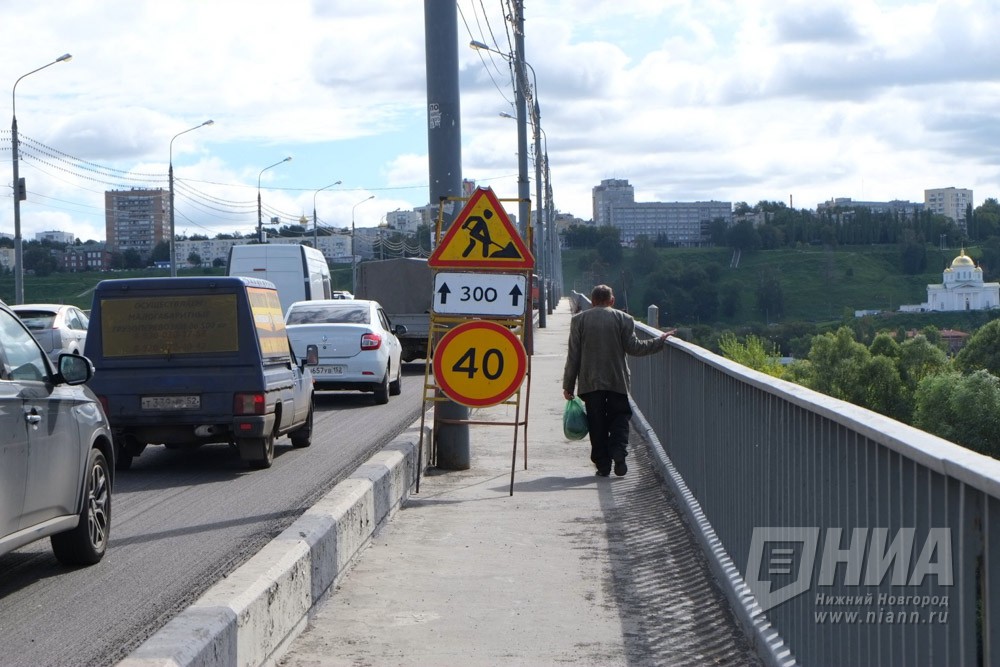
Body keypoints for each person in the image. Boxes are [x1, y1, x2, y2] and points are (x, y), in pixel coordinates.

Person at [562, 285, 673, 477]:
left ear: (592, 301)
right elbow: (634, 348)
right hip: (617, 380)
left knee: (596, 422)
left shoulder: (579, 320)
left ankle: (603, 465)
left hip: (590, 381)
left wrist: (568, 385)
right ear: (612, 301)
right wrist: (659, 341)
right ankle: (619, 452)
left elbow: (574, 355)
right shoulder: (624, 319)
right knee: (620, 417)